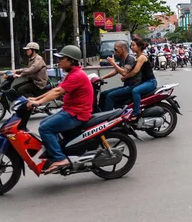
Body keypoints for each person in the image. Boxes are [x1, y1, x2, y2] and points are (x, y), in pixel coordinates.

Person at [28, 45, 93, 174]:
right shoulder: (71, 74)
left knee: (45, 128)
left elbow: (58, 92)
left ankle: (60, 158)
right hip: (69, 110)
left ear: (71, 61)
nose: (59, 62)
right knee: (43, 123)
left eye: (61, 59)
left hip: (76, 114)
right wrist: (36, 99)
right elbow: (55, 89)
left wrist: (38, 102)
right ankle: (58, 149)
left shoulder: (76, 76)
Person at [99, 41, 141, 111]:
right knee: (103, 94)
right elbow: (116, 71)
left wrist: (113, 63)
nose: (115, 52)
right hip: (126, 85)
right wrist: (101, 77)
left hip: (133, 86)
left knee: (110, 96)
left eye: (116, 49)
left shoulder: (130, 58)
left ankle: (107, 117)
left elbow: (124, 72)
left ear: (123, 49)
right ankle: (100, 114)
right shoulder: (122, 58)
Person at [123, 37, 157, 120]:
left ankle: (136, 112)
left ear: (139, 47)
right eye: (131, 45)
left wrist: (125, 77)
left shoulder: (141, 57)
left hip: (150, 82)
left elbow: (135, 71)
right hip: (144, 81)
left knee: (136, 91)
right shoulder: (137, 57)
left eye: (133, 45)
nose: (131, 47)